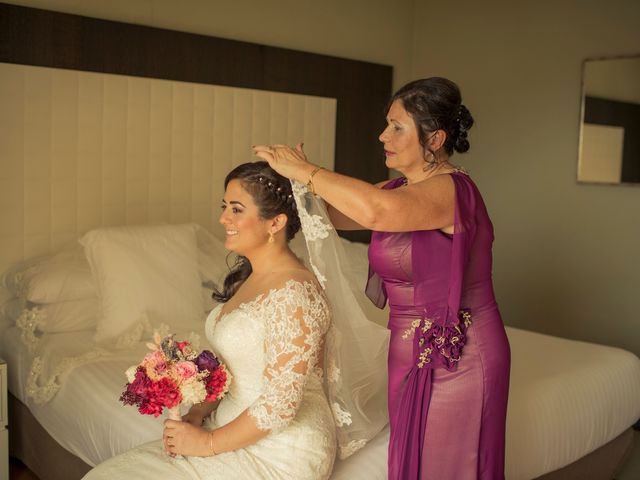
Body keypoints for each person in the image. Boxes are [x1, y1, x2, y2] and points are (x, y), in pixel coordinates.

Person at [254, 77, 511, 479]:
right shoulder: (398, 189)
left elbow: (377, 212)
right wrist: (289, 183)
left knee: (448, 466)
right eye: (386, 124)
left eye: (396, 126)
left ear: (435, 138)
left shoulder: (452, 191)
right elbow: (334, 214)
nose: (382, 135)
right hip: (406, 348)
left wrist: (307, 169)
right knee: (413, 462)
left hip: (459, 351)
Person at [83, 162, 339, 479]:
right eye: (224, 207)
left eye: (236, 209)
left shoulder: (294, 294)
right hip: (230, 425)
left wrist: (207, 443)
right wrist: (199, 412)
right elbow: (239, 366)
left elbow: (280, 405)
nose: (223, 219)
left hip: (281, 450)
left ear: (276, 222)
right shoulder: (253, 277)